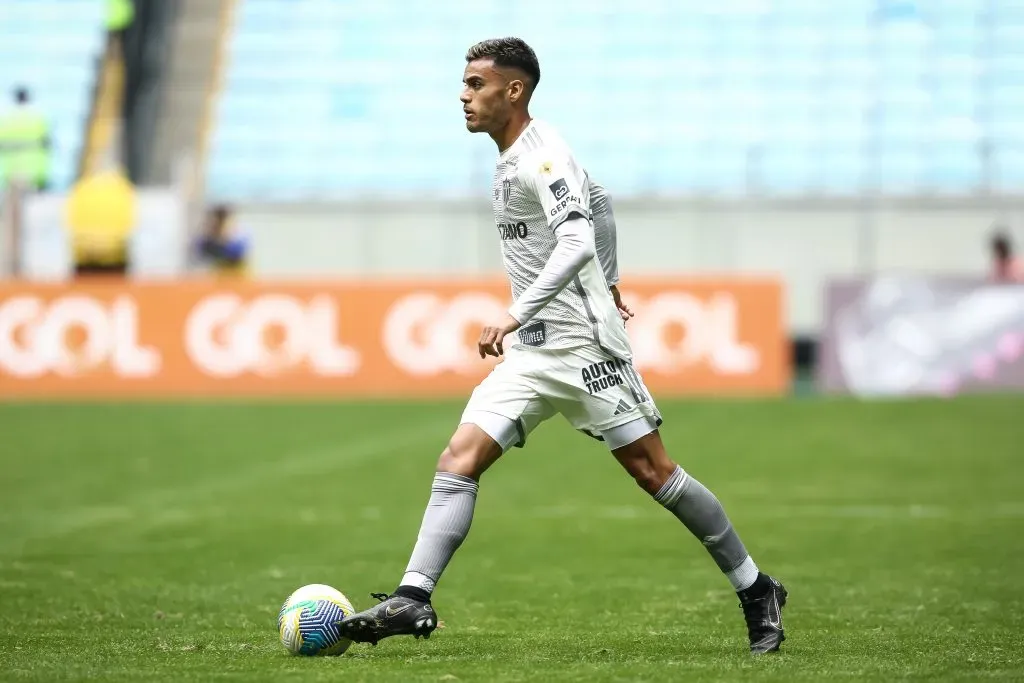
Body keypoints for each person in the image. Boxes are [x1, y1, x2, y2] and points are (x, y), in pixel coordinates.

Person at [338, 37, 788, 655]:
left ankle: (756, 588)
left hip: (584, 348)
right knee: (458, 459)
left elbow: (574, 239)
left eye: (475, 84)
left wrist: (517, 312)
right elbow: (597, 202)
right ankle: (413, 598)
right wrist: (613, 273)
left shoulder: (542, 155)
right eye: (465, 84)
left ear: (513, 90)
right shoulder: (513, 155)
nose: (463, 95)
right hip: (530, 358)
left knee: (654, 472)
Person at [0, 87, 51, 192]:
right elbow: (46, 144)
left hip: (10, 170)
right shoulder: (38, 118)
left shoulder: (6, 119)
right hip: (33, 171)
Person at [192, 204, 249, 277]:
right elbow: (200, 252)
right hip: (214, 275)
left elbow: (238, 252)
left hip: (237, 274)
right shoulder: (206, 238)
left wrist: (224, 239)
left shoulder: (239, 234)